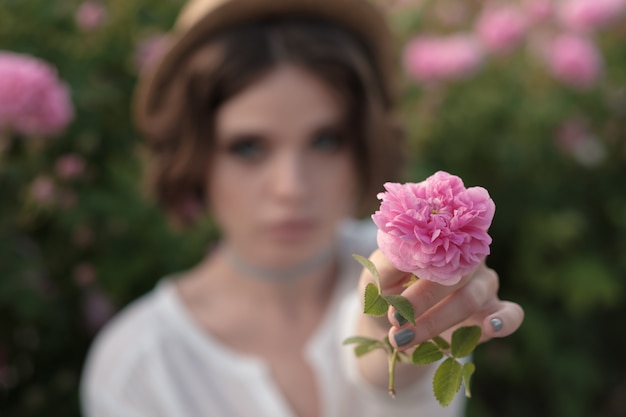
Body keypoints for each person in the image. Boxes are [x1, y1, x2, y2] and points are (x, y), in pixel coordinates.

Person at [80, 0, 525, 416]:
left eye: (326, 141)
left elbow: (395, 365)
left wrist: (397, 361)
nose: (292, 188)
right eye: (249, 147)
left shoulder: (417, 284)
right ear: (194, 156)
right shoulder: (138, 365)